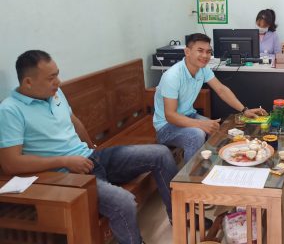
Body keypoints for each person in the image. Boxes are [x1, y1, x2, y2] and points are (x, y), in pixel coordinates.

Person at [0, 50, 178, 244]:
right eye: (51, 78)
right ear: (28, 82)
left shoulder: (54, 93)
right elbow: (11, 163)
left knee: (161, 154)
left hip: (90, 157)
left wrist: (91, 147)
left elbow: (73, 121)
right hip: (66, 176)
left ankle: (179, 218)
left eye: (57, 74)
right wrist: (65, 161)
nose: (58, 82)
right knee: (124, 202)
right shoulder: (10, 110)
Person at [153, 33, 267, 163]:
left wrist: (244, 110)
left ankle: (211, 166)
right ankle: (191, 174)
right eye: (200, 51)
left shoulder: (202, 69)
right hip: (166, 127)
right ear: (187, 52)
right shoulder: (172, 76)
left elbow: (221, 90)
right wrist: (201, 124)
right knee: (196, 135)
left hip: (189, 116)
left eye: (208, 52)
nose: (205, 56)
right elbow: (170, 116)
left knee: (217, 129)